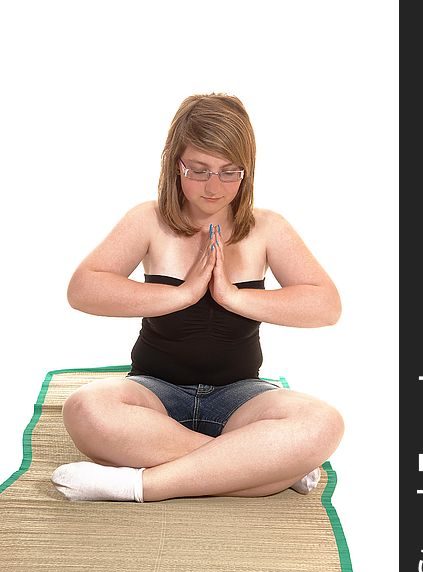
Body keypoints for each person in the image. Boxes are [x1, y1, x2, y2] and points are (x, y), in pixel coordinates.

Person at [51, 93, 344, 503]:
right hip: (154, 392)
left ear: (248, 171)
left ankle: (139, 485)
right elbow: (83, 290)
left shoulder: (267, 227)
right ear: (177, 165)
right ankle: (264, 468)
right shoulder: (147, 219)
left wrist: (232, 298)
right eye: (200, 170)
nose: (213, 187)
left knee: (323, 423)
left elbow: (326, 306)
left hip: (241, 397)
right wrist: (184, 293)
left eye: (229, 172)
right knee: (84, 408)